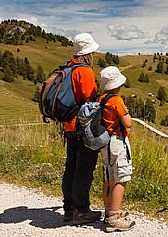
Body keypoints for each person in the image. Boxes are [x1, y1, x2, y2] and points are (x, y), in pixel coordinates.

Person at [62, 33, 102, 224]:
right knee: (84, 168)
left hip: (69, 125)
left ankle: (69, 209)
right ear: (88, 53)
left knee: (71, 166)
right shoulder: (84, 71)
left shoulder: (68, 67)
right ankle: (81, 210)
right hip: (82, 126)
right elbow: (90, 98)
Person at [99, 66, 135, 232]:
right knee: (122, 177)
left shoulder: (101, 99)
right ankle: (114, 218)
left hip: (104, 142)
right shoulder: (116, 100)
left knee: (109, 176)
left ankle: (108, 211)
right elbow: (127, 123)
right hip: (117, 141)